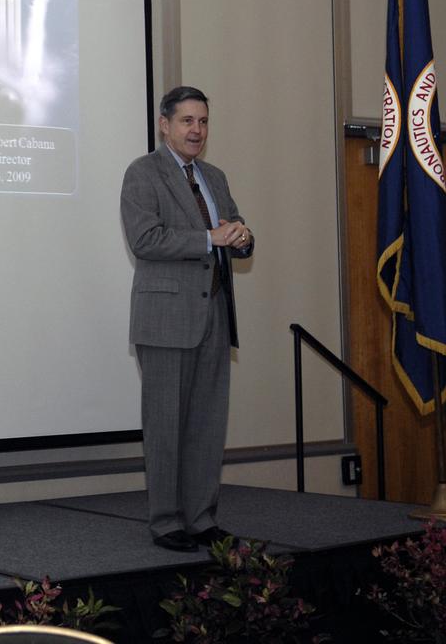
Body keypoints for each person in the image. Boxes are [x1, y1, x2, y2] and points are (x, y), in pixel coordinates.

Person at [120, 85, 253, 552]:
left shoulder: (214, 177)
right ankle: (166, 522)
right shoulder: (143, 173)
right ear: (165, 125)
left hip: (214, 312)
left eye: (203, 122)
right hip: (165, 319)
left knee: (207, 424)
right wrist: (208, 238)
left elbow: (232, 226)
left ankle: (201, 518)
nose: (197, 130)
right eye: (187, 121)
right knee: (166, 425)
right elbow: (145, 239)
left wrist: (242, 237)